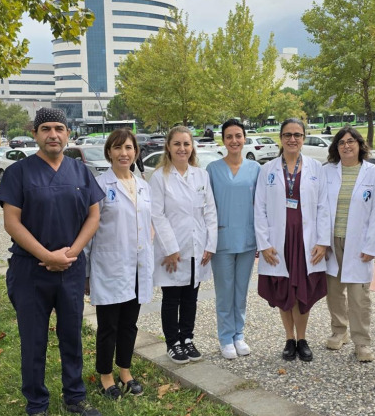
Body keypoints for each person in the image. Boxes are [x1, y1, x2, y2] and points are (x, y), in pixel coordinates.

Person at [0, 107, 104, 416]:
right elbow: (11, 221)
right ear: (35, 134)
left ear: (67, 133)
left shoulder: (80, 172)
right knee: (34, 339)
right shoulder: (19, 173)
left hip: (69, 269)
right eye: (46, 128)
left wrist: (69, 254)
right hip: (31, 270)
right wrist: (45, 255)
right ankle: (37, 406)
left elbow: (94, 216)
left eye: (59, 128)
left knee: (72, 334)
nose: (53, 134)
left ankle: (75, 397)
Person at [255, 119, 330, 362]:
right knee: (284, 289)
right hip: (279, 240)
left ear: (304, 138)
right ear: (280, 138)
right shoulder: (267, 169)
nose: (292, 139)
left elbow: (323, 207)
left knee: (302, 290)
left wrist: (322, 241)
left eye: (297, 135)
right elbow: (260, 208)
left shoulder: (316, 168)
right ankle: (289, 338)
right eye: (287, 134)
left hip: (306, 240)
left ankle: (302, 339)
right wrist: (264, 243)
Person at [87, 129, 152, 399]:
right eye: (117, 148)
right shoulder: (100, 186)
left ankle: (125, 370)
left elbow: (147, 226)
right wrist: (87, 273)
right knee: (108, 326)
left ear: (135, 152)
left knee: (129, 323)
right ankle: (106, 376)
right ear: (109, 152)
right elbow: (89, 231)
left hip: (136, 267)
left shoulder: (143, 186)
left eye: (128, 147)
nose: (123, 153)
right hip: (110, 267)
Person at [150, 126, 217, 364]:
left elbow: (210, 212)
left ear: (192, 147)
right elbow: (157, 215)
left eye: (186, 144)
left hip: (197, 246)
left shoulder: (201, 175)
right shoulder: (160, 177)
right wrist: (170, 248)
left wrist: (210, 244)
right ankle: (173, 343)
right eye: (177, 144)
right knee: (171, 297)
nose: (182, 148)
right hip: (172, 249)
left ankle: (187, 338)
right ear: (168, 147)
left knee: (191, 296)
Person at [323, 127, 375, 362]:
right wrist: (322, 241)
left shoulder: (373, 173)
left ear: (360, 145)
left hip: (359, 242)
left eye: (351, 141)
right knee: (334, 292)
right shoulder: (327, 172)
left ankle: (362, 342)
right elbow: (320, 208)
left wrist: (372, 246)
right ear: (336, 147)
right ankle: (339, 332)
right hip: (332, 241)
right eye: (341, 142)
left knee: (359, 296)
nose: (346, 146)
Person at [207, 119, 260, 359]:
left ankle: (239, 334)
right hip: (222, 239)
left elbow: (261, 206)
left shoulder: (255, 169)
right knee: (224, 290)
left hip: (247, 239)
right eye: (229, 136)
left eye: (238, 136)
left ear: (245, 138)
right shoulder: (213, 169)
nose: (234, 141)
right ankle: (225, 337)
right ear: (223, 140)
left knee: (241, 291)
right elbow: (208, 207)